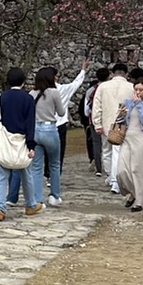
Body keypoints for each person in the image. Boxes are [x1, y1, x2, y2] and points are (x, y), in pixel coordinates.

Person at [0, 66, 37, 220]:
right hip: (22, 141)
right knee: (26, 174)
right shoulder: (28, 99)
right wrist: (31, 145)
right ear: (24, 82)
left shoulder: (1, 98)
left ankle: (0, 208)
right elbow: (30, 124)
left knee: (2, 177)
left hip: (5, 139)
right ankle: (31, 205)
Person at [48, 59, 90, 205]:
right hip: (59, 124)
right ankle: (54, 179)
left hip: (44, 125)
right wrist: (83, 71)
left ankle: (48, 175)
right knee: (58, 155)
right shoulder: (62, 90)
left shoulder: (39, 92)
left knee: (45, 155)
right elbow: (76, 84)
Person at [91, 62, 134, 194]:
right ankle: (115, 180)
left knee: (107, 151)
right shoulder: (131, 87)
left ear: (112, 73)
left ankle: (112, 176)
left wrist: (96, 123)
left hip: (106, 122)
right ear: (126, 74)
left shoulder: (103, 86)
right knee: (118, 151)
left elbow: (96, 106)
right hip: (123, 123)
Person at [116, 79, 143, 211]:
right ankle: (132, 193)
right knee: (121, 170)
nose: (138, 92)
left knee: (137, 169)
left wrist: (139, 105)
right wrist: (121, 115)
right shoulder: (128, 102)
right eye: (136, 90)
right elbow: (120, 120)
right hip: (127, 136)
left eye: (141, 90)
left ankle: (139, 201)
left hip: (141, 137)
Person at [27, 67, 63, 212]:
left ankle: (38, 199)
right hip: (50, 129)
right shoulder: (54, 93)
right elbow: (61, 112)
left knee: (36, 167)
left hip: (35, 130)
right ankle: (54, 195)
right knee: (54, 164)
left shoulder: (31, 93)